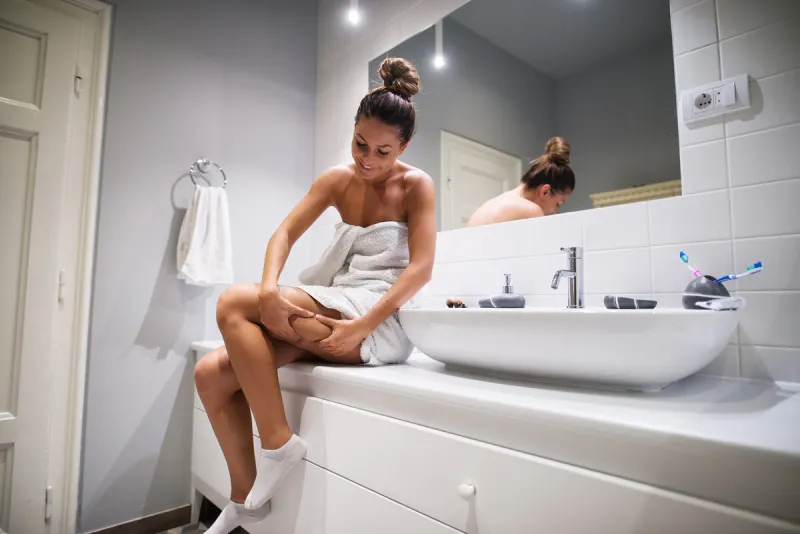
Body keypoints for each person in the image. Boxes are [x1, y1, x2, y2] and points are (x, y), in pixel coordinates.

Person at [193, 58, 436, 534]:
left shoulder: (415, 185)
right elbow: (284, 233)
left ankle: (279, 443)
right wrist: (269, 288)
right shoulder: (337, 180)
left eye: (383, 151)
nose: (368, 159)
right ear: (353, 131)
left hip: (377, 321)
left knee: (231, 303)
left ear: (403, 147)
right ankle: (245, 501)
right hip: (338, 303)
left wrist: (360, 327)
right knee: (210, 376)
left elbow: (421, 269)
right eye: (360, 143)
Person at [467, 137, 575, 227]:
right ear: (545, 191)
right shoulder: (532, 211)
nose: (555, 211)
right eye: (558, 204)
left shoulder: (492, 204)